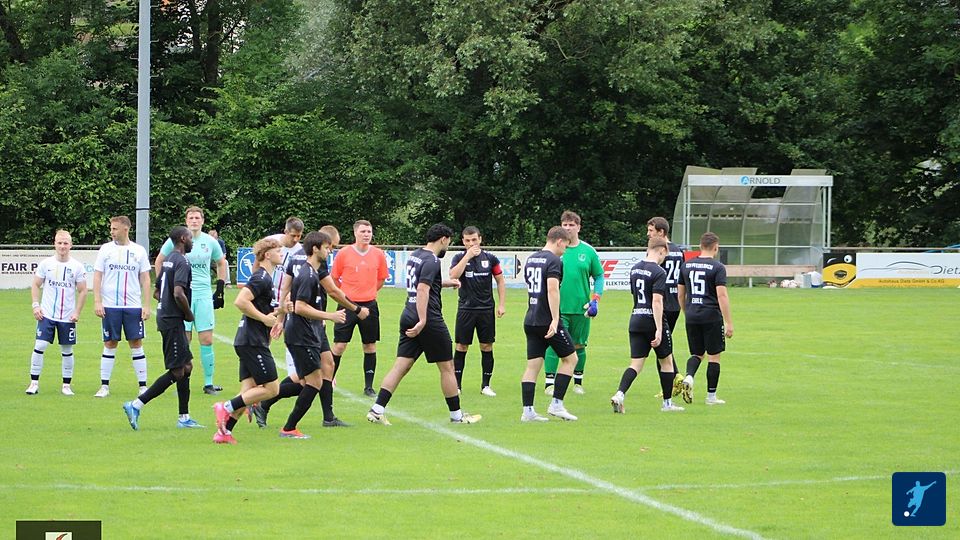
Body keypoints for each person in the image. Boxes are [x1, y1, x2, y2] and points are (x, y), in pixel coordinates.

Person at [252, 226, 369, 430]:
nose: (331, 251)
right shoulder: (313, 266)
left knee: (328, 365)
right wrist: (355, 309)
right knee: (306, 380)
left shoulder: (297, 257)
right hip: (306, 324)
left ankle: (328, 417)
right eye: (330, 246)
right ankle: (267, 405)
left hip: (311, 322)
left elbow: (285, 288)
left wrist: (281, 317)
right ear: (318, 246)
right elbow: (332, 291)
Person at [366, 224, 481, 426]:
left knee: (401, 365)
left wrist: (446, 283)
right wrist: (423, 320)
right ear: (443, 239)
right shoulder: (432, 260)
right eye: (448, 242)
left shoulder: (416, 255)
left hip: (407, 313)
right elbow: (422, 289)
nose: (448, 246)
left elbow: (422, 283)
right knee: (447, 367)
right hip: (428, 318)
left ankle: (377, 410)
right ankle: (457, 416)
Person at [123, 226, 202, 430]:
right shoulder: (182, 261)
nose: (192, 241)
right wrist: (188, 314)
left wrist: (167, 305)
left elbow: (158, 292)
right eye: (190, 238)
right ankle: (136, 405)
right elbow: (178, 293)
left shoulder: (168, 259)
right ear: (183, 238)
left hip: (167, 317)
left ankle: (184, 417)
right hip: (172, 320)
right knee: (177, 371)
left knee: (187, 366)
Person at [211, 237, 283, 444]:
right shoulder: (261, 277)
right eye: (278, 251)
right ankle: (225, 407)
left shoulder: (266, 278)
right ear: (267, 255)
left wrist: (281, 312)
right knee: (272, 389)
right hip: (253, 341)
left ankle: (224, 432)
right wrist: (264, 319)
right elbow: (241, 301)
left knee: (248, 392)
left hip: (249, 340)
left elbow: (262, 308)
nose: (281, 254)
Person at [154, 206, 228, 395]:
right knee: (184, 339)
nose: (194, 221)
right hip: (183, 294)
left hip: (203, 294)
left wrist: (220, 288)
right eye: (191, 218)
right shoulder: (176, 240)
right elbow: (159, 260)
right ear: (186, 221)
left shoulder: (210, 241)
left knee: (206, 339)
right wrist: (163, 286)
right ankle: (182, 381)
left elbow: (221, 262)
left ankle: (208, 383)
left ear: (202, 220)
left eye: (197, 218)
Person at [609, 237, 684, 414]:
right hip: (652, 320)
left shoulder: (634, 269)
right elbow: (657, 301)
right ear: (662, 250)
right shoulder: (659, 272)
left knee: (635, 364)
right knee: (667, 362)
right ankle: (667, 404)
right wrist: (659, 329)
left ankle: (619, 394)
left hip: (636, 318)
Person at [520, 226, 579, 422]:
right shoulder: (554, 260)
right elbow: (552, 289)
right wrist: (555, 319)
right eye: (565, 246)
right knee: (571, 360)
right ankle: (556, 405)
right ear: (559, 241)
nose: (565, 251)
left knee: (533, 366)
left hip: (531, 318)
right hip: (547, 320)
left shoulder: (531, 259)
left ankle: (528, 411)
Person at [543, 211, 604, 395]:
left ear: (579, 227)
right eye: (565, 225)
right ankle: (549, 383)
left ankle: (578, 383)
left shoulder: (588, 251)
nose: (568, 228)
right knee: (553, 344)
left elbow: (599, 276)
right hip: (558, 309)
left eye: (571, 225)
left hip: (581, 309)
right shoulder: (554, 250)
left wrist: (595, 299)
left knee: (579, 345)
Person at [93, 216, 152, 398]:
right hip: (110, 305)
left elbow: (145, 278)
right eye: (111, 228)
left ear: (126, 229)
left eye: (115, 228)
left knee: (136, 343)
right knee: (110, 343)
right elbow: (97, 275)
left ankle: (143, 386)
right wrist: (97, 301)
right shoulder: (105, 249)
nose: (112, 232)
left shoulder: (138, 251)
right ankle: (104, 386)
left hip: (133, 306)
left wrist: (146, 305)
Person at [331, 219, 389, 398]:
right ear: (355, 233)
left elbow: (381, 278)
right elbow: (334, 278)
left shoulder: (378, 254)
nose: (366, 235)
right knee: (340, 345)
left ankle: (368, 387)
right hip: (347, 305)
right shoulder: (344, 253)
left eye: (369, 231)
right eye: (363, 231)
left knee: (369, 345)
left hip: (369, 305)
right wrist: (345, 295)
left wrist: (369, 292)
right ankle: (328, 381)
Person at [25, 230, 88, 396]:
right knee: (40, 345)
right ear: (54, 244)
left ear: (71, 245)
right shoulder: (46, 264)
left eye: (65, 243)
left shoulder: (77, 267)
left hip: (67, 317)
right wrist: (36, 306)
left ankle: (66, 386)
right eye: (59, 243)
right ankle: (34, 383)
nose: (62, 246)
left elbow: (83, 291)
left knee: (67, 349)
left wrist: (77, 312)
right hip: (46, 314)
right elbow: (35, 284)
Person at [448, 226, 506, 396]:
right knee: (461, 346)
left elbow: (500, 281)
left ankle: (486, 385)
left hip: (486, 309)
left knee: (486, 346)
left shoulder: (490, 258)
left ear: (480, 239)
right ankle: (457, 386)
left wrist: (501, 304)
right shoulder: (459, 258)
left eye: (474, 239)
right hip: (466, 308)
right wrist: (467, 256)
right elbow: (453, 275)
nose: (471, 243)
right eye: (467, 240)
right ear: (463, 241)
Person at [677, 232, 734, 405]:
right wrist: (728, 322)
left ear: (700, 246)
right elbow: (722, 295)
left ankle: (689, 377)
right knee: (713, 356)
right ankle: (711, 397)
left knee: (697, 353)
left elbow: (680, 294)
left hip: (692, 314)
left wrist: (687, 312)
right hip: (711, 315)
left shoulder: (686, 265)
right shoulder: (718, 267)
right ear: (716, 247)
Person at [647, 216, 686, 398]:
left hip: (661, 301)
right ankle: (674, 378)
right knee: (664, 342)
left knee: (659, 344)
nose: (648, 234)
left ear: (661, 232)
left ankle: (671, 383)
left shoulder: (658, 251)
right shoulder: (679, 251)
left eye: (651, 231)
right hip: (675, 303)